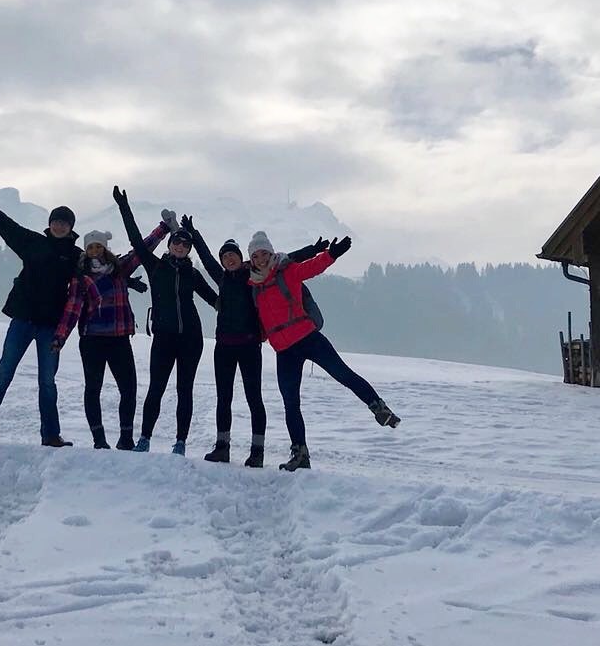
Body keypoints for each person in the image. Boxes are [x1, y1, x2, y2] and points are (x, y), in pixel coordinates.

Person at [246, 230, 400, 471]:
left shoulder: (287, 271)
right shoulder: (254, 286)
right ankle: (300, 453)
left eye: (264, 253)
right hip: (284, 351)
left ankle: (378, 406)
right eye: (256, 255)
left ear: (271, 252)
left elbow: (312, 267)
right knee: (291, 403)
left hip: (307, 337)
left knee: (343, 374)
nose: (261, 258)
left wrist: (331, 255)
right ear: (251, 259)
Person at [182, 215, 326, 468]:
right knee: (223, 398)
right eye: (225, 257)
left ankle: (257, 452)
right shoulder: (222, 277)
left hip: (249, 346)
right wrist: (193, 234)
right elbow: (204, 257)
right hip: (224, 346)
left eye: (232, 255)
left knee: (253, 398)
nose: (228, 259)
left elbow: (286, 260)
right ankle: (222, 447)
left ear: (242, 257)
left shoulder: (254, 275)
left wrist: (313, 250)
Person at [0, 173, 83, 447]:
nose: (59, 226)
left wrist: (128, 281)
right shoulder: (32, 242)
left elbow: (103, 270)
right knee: (3, 373)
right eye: (56, 221)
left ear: (71, 227)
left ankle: (51, 435)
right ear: (49, 224)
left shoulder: (77, 257)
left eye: (64, 223)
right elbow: (3, 223)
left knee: (47, 382)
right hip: (23, 320)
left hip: (51, 326)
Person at [115, 186, 217, 455]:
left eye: (185, 244)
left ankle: (180, 442)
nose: (181, 246)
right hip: (163, 338)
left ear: (188, 249)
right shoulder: (155, 266)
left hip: (191, 340)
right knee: (156, 389)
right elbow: (136, 240)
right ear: (170, 245)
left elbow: (215, 300)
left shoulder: (192, 274)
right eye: (177, 243)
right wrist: (124, 208)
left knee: (185, 390)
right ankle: (145, 438)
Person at [53, 219, 166, 450]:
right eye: (90, 247)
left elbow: (142, 249)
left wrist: (163, 228)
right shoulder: (81, 277)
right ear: (86, 250)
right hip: (92, 340)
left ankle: (126, 438)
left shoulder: (119, 269)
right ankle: (99, 439)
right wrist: (60, 337)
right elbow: (72, 309)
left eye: (98, 246)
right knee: (93, 388)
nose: (94, 250)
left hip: (119, 339)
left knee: (129, 389)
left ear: (105, 248)